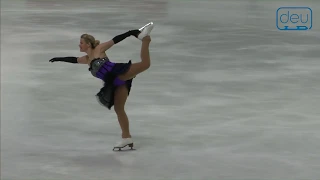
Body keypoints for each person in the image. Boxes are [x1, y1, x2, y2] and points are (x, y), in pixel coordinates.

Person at [49, 22, 154, 151]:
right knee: (119, 109)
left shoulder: (99, 49)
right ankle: (126, 137)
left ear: (88, 44)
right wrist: (58, 58)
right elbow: (73, 59)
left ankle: (146, 39)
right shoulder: (87, 59)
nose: (79, 45)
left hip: (118, 72)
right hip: (115, 83)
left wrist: (132, 32)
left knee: (145, 64)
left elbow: (115, 39)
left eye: (81, 42)